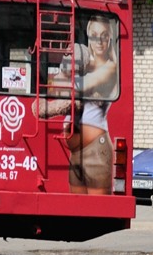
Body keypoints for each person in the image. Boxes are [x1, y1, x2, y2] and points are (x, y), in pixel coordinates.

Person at [38, 16, 120, 195]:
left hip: (96, 152)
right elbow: (60, 81)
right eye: (94, 35)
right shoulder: (85, 61)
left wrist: (64, 75)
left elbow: (76, 86)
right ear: (89, 37)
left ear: (110, 38)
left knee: (98, 214)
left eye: (104, 35)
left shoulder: (109, 68)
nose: (99, 41)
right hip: (75, 153)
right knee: (77, 214)